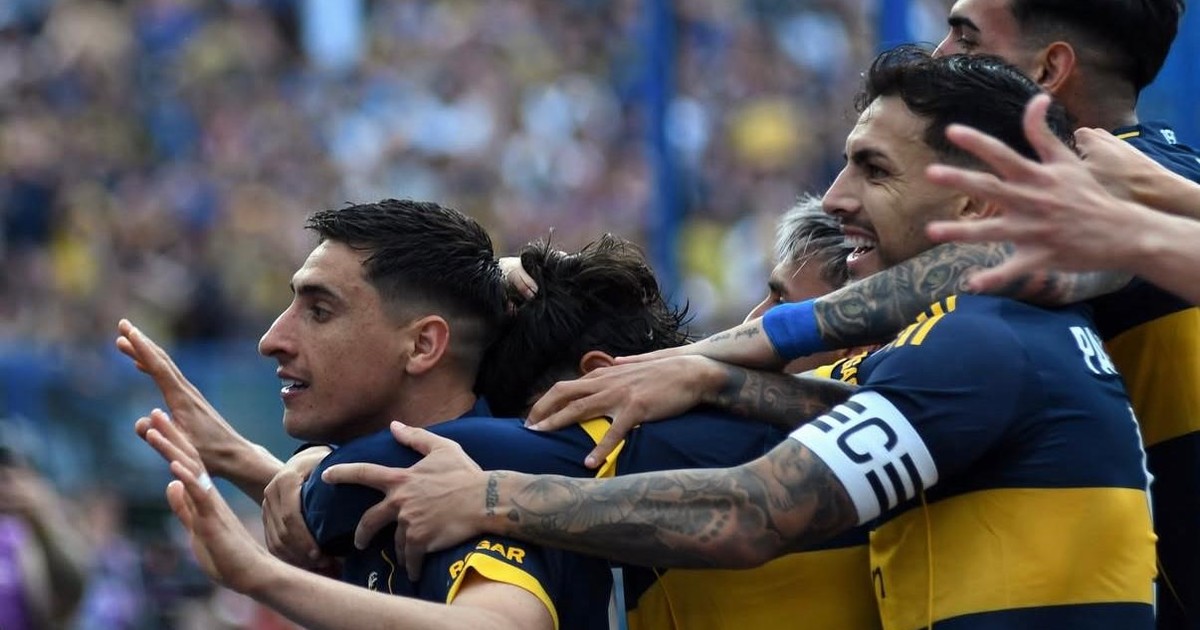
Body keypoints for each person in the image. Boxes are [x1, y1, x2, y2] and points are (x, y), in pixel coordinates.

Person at [326, 48, 1158, 629]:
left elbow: (749, 512)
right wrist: (718, 377)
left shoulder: (980, 341)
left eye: (874, 169)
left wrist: (489, 497)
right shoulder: (1003, 330)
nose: (836, 196)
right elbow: (867, 408)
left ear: (975, 201)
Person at [924, 94, 1200, 305]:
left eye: (969, 43)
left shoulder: (1108, 178)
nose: (942, 52)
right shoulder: (1155, 163)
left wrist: (1151, 185)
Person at [0, 421, 90, 630]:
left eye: (13, 478)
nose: (7, 488)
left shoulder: (32, 533)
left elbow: (70, 598)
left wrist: (42, 520)